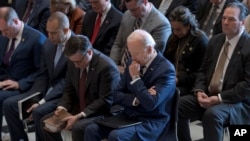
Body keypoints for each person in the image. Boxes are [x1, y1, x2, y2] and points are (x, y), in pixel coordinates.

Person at [84, 29, 176, 141]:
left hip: (151, 121)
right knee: (92, 129)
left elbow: (150, 104)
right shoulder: (131, 62)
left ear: (149, 49)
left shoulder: (166, 70)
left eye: (136, 53)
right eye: (130, 53)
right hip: (129, 115)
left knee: (116, 136)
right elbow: (116, 95)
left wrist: (136, 78)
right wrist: (137, 99)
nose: (133, 58)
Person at [177, 2, 250, 141]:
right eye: (224, 18)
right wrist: (199, 90)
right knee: (178, 104)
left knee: (212, 115)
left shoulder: (248, 46)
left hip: (236, 101)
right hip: (209, 94)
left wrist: (219, 98)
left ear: (243, 22)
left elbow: (247, 86)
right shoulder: (215, 41)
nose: (226, 22)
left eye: (231, 19)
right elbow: (203, 71)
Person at [3, 11, 72, 141]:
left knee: (39, 111)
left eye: (53, 33)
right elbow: (43, 74)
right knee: (10, 105)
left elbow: (66, 82)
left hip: (64, 95)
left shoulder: (75, 45)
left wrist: (42, 101)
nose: (49, 37)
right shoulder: (48, 44)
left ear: (66, 30)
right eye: (48, 32)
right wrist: (33, 96)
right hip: (46, 90)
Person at [42, 35, 120, 141]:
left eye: (78, 61)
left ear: (89, 52)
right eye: (73, 62)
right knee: (46, 121)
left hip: (102, 111)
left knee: (78, 127)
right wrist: (62, 108)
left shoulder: (106, 67)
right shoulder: (73, 60)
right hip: (81, 105)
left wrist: (79, 116)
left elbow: (105, 101)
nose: (76, 65)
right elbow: (69, 89)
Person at [0, 7, 46, 140]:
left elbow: (41, 71)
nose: (3, 34)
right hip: (5, 80)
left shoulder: (36, 39)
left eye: (5, 30)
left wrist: (20, 84)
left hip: (24, 86)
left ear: (15, 21)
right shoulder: (5, 36)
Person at [109, 0, 171, 73]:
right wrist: (113, 66)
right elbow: (118, 44)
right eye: (129, 10)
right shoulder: (127, 15)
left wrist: (127, 71)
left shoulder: (161, 24)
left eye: (134, 10)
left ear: (145, 2)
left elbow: (150, 58)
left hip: (140, 73)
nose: (132, 14)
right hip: (119, 68)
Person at [164, 6, 208, 96]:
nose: (175, 32)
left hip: (187, 85)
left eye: (178, 29)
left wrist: (179, 79)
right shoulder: (174, 37)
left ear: (188, 25)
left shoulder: (200, 40)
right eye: (173, 29)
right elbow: (165, 59)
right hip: (171, 78)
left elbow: (202, 72)